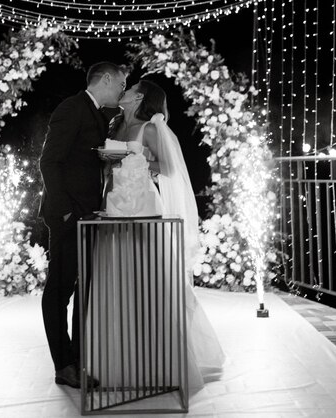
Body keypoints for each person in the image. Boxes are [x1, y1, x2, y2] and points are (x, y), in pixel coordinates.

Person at [96, 79, 225, 392]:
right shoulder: (114, 126)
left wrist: (137, 158)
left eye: (128, 89)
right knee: (118, 278)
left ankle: (161, 358)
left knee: (150, 279)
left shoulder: (150, 129)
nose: (122, 91)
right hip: (114, 204)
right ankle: (122, 358)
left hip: (143, 206)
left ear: (139, 97)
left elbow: (167, 169)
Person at [38, 62, 127, 388]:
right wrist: (63, 213)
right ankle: (64, 365)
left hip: (86, 214)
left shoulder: (94, 113)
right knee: (59, 291)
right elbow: (49, 161)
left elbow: (79, 158)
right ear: (105, 79)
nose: (121, 90)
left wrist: (102, 157)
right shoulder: (72, 108)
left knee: (81, 290)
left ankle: (77, 361)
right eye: (120, 84)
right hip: (69, 216)